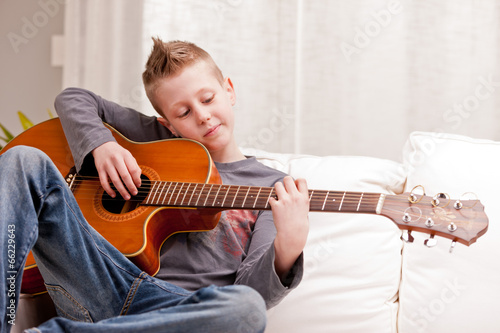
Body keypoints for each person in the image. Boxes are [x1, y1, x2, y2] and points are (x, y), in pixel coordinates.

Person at [0, 38, 309, 332]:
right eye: (184, 112)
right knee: (23, 159)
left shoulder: (272, 187)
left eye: (208, 99)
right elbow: (73, 98)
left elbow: (251, 292)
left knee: (246, 308)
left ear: (229, 90)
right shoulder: (161, 140)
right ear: (168, 124)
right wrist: (102, 146)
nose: (202, 116)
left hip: (180, 310)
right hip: (101, 280)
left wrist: (287, 247)